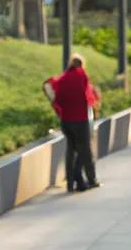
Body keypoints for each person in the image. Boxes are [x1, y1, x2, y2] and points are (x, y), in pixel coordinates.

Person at [43, 53, 101, 193]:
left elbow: (55, 94)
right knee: (85, 151)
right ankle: (91, 180)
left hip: (66, 121)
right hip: (80, 120)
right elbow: (88, 96)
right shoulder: (81, 76)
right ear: (82, 65)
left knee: (71, 150)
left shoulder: (63, 78)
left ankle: (70, 183)